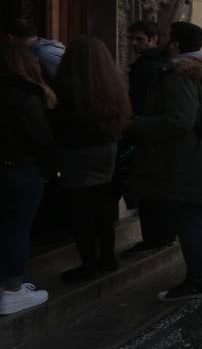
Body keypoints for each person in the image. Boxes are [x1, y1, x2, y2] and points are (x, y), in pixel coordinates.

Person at [126, 21, 202, 300]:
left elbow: (179, 120)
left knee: (188, 218)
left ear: (174, 44)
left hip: (183, 159)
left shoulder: (181, 75)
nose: (160, 41)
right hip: (200, 156)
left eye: (164, 36)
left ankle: (201, 280)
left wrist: (136, 124)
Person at [53, 36, 131, 283]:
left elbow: (59, 121)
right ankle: (107, 257)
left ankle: (88, 264)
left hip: (76, 151)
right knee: (103, 205)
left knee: (80, 210)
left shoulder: (67, 86)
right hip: (106, 149)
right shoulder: (111, 84)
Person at [0, 43, 58, 315]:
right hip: (21, 170)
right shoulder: (25, 96)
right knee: (17, 229)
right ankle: (11, 289)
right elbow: (41, 140)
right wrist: (53, 168)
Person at [120, 20, 176, 256]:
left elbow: (145, 103)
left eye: (139, 39)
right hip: (152, 134)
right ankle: (162, 234)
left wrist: (135, 126)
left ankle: (156, 236)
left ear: (154, 39)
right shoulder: (156, 65)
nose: (134, 44)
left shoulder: (150, 67)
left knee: (150, 191)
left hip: (148, 134)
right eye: (131, 39)